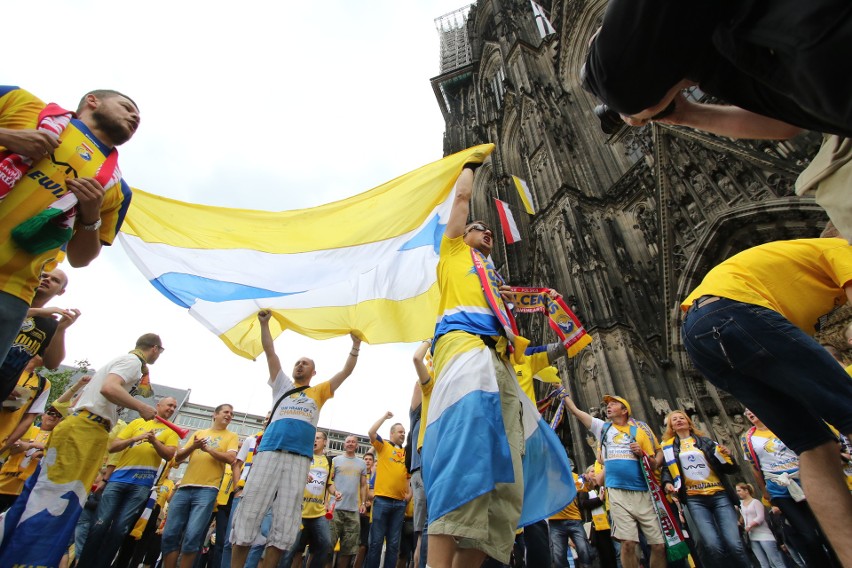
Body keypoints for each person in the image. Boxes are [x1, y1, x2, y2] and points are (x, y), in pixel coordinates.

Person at [681, 232, 852, 566]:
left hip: (697, 333)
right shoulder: (839, 247)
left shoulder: (788, 273)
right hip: (738, 311)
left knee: (815, 447)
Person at [423, 154, 527, 568]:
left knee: (506, 476)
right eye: (479, 228)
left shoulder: (494, 279)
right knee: (465, 458)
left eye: (488, 230)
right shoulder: (452, 255)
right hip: (463, 347)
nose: (487, 233)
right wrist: (470, 162)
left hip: (497, 360)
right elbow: (463, 197)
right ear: (462, 234)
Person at [0, 86, 140, 368]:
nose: (135, 116)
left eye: (137, 116)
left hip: (11, 290)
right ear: (92, 101)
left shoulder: (116, 189)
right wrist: (8, 137)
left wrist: (90, 215)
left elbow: (80, 259)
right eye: (126, 106)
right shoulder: (21, 103)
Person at [0, 333, 161, 567]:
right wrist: (141, 407)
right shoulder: (133, 362)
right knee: (53, 501)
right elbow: (109, 388)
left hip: (91, 430)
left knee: (61, 501)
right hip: (85, 428)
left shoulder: (127, 362)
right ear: (155, 349)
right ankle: (26, 560)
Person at [230, 310, 362, 568]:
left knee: (286, 519)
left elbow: (346, 371)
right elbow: (271, 352)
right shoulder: (282, 386)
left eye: (305, 363)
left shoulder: (319, 391)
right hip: (269, 452)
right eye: (297, 362)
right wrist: (264, 324)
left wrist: (355, 345)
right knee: (250, 511)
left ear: (314, 372)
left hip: (300, 459)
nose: (299, 365)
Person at [563, 394, 665, 568]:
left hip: (643, 491)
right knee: (628, 544)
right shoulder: (604, 428)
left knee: (659, 545)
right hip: (617, 491)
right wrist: (562, 392)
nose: (608, 407)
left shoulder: (640, 431)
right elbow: (576, 412)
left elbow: (655, 462)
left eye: (614, 404)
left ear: (625, 410)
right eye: (607, 405)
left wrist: (642, 453)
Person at [78, 396, 180, 568]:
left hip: (142, 485)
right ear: (159, 405)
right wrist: (135, 438)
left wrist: (154, 440)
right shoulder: (136, 423)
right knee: (99, 525)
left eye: (174, 407)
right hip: (118, 479)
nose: (171, 408)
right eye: (169, 405)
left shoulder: (172, 432)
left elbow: (169, 455)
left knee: (120, 530)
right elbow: (113, 447)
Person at [740, 409, 838, 566]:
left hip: (806, 481)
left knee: (827, 531)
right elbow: (755, 468)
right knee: (808, 536)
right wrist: (765, 492)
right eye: (746, 412)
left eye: (751, 409)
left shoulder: (781, 425)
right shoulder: (747, 439)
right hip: (779, 489)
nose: (750, 413)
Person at [659, 410, 749, 568]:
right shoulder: (668, 448)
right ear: (670, 426)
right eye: (675, 419)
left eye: (682, 418)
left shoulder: (706, 442)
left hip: (719, 494)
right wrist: (667, 483)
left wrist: (729, 456)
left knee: (734, 544)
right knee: (712, 545)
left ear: (689, 422)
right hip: (694, 499)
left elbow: (729, 468)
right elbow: (667, 470)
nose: (679, 421)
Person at [161, 403, 238, 568]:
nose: (229, 415)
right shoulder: (199, 433)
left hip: (208, 491)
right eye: (226, 412)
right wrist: (194, 446)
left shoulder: (231, 436)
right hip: (184, 488)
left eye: (232, 414)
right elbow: (178, 457)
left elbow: (231, 459)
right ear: (215, 414)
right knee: (170, 534)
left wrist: (208, 449)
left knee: (192, 536)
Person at [0, 269, 78, 403]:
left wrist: (60, 330)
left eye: (55, 280)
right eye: (43, 276)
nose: (47, 279)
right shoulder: (8, 301)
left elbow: (52, 363)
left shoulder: (50, 324)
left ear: (61, 291)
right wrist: (37, 312)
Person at [281, 431, 335, 568]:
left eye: (318, 438)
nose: (314, 440)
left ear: (324, 442)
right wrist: (302, 477)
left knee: (326, 544)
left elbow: (329, 484)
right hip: (299, 511)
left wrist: (336, 492)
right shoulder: (303, 456)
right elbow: (290, 475)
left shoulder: (329, 461)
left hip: (318, 513)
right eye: (313, 438)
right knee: (290, 549)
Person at [366, 412, 409, 568]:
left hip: (399, 504)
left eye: (404, 432)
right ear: (392, 433)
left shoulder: (406, 453)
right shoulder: (383, 445)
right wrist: (384, 418)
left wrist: (409, 493)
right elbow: (371, 432)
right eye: (400, 431)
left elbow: (408, 476)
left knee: (393, 545)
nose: (403, 434)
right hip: (382, 500)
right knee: (376, 542)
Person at [330, 434, 368, 568]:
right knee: (329, 546)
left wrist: (363, 503)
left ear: (357, 445)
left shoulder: (362, 464)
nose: (350, 444)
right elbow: (329, 483)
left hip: (353, 511)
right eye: (348, 442)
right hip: (335, 509)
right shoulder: (335, 460)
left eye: (353, 442)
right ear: (344, 444)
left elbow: (363, 485)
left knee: (348, 550)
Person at [548, 464, 593, 568]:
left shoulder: (572, 476)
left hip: (574, 519)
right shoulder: (546, 477)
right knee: (558, 555)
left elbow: (589, 487)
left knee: (584, 550)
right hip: (555, 521)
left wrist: (587, 479)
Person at [736, 483, 787, 568]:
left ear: (746, 491)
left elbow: (760, 518)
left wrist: (749, 526)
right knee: (763, 563)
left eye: (739, 490)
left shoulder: (755, 502)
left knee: (775, 561)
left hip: (764, 535)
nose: (738, 493)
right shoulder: (741, 504)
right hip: (752, 536)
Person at [354, 451, 375, 568]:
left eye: (370, 459)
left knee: (363, 545)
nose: (367, 461)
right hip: (355, 512)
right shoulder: (358, 474)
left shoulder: (375, 476)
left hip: (368, 515)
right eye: (365, 459)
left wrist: (370, 503)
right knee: (351, 543)